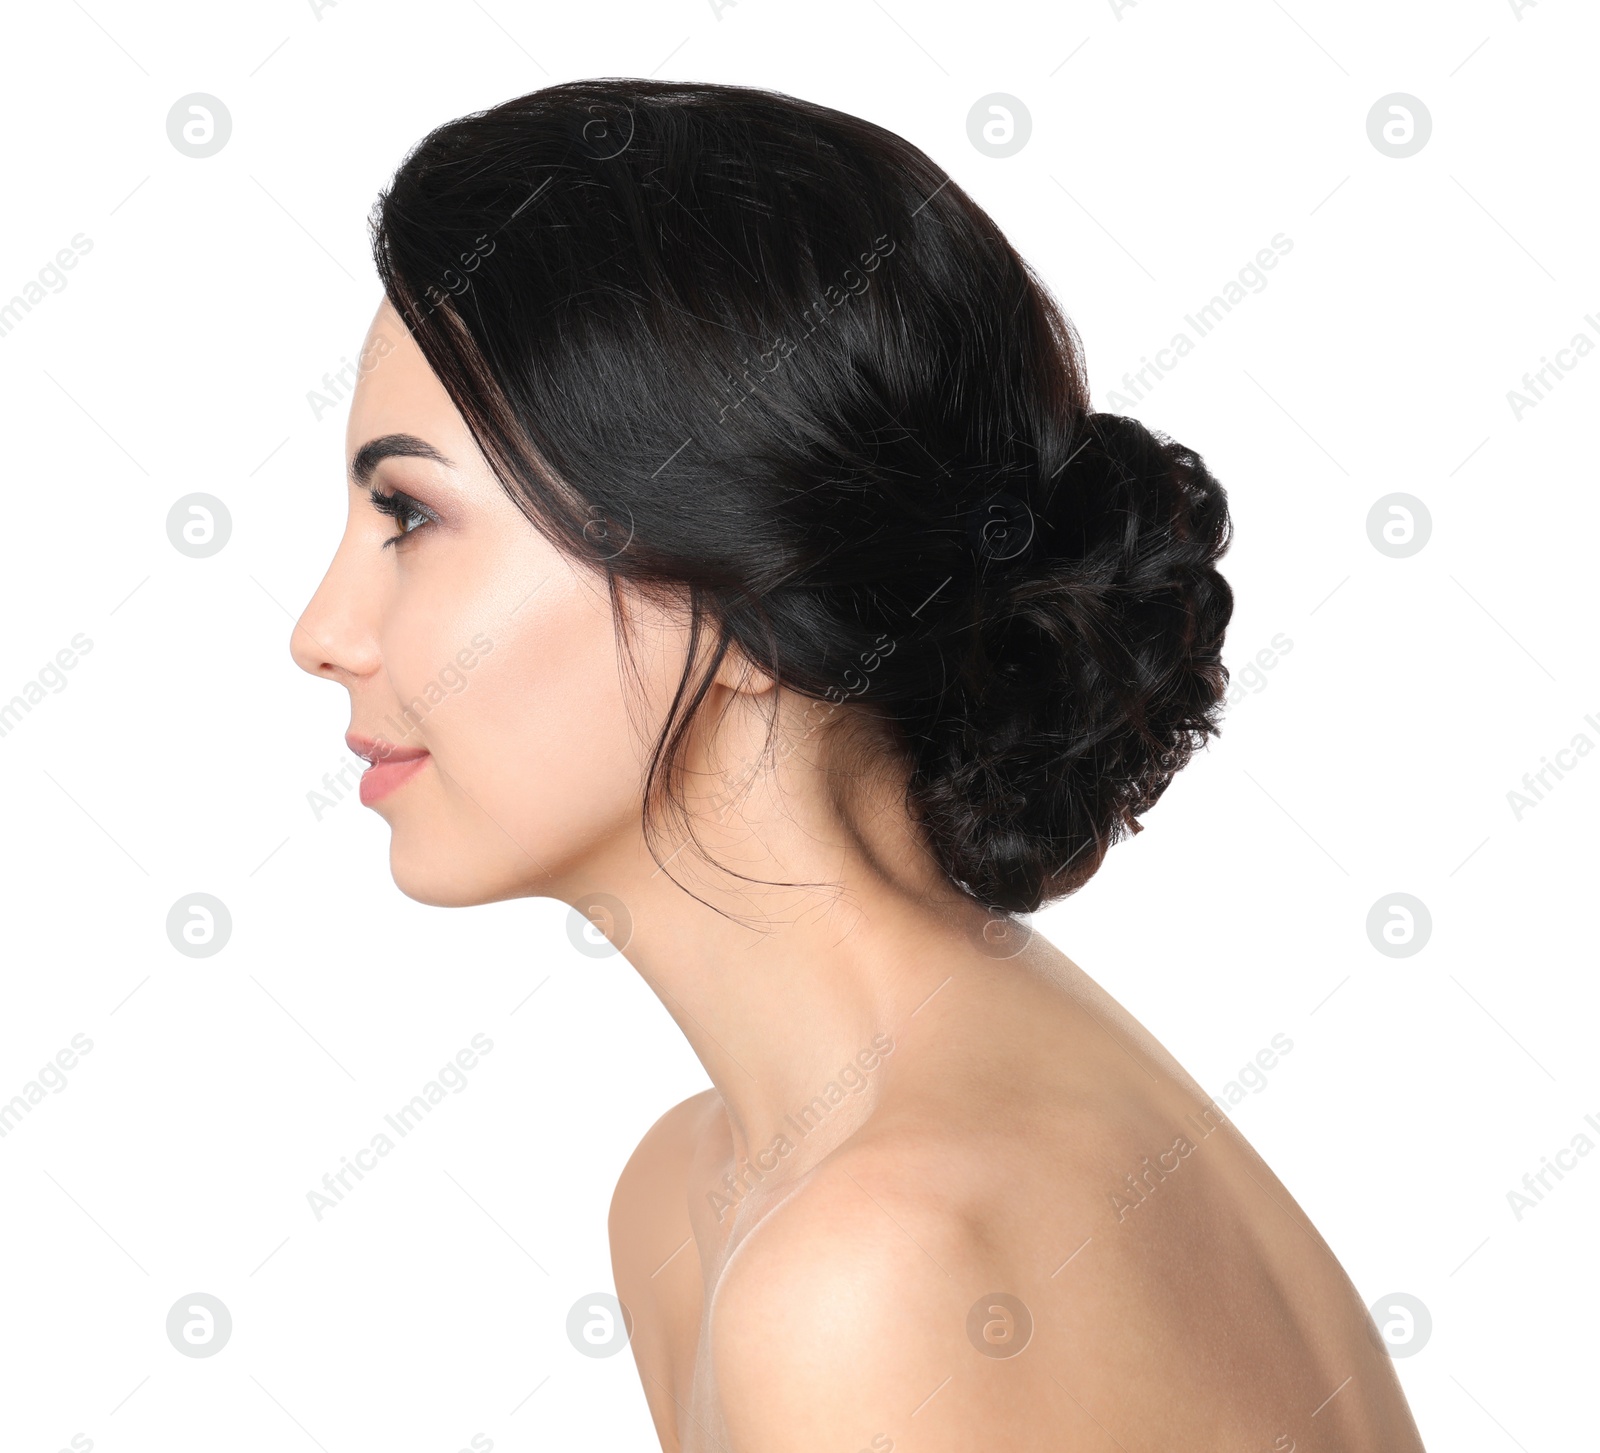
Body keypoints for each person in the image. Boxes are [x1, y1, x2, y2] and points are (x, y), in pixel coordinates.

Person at [291, 77, 1425, 1453]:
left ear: (744, 588)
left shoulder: (865, 1270)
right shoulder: (699, 1203)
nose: (322, 632)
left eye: (409, 513)